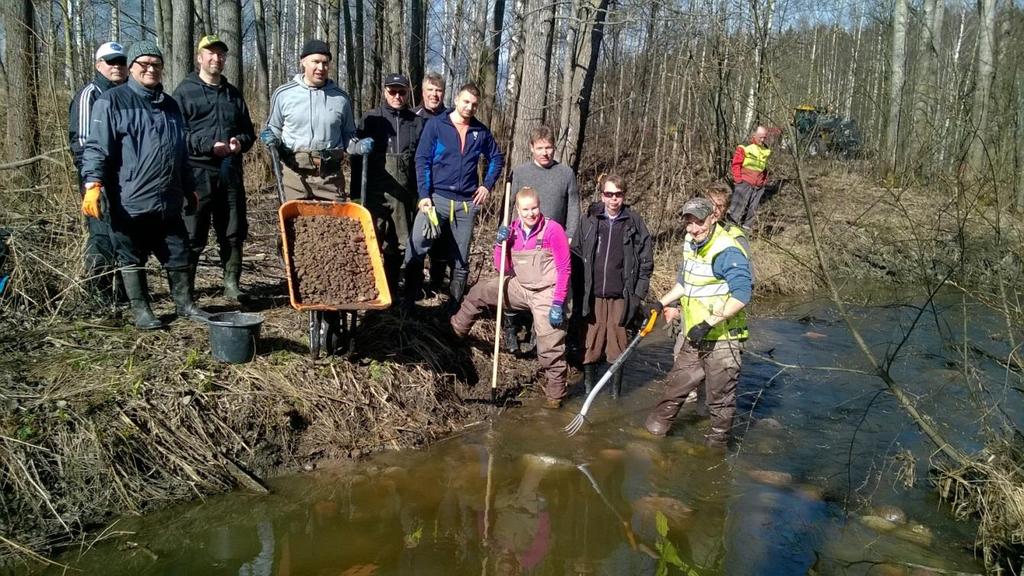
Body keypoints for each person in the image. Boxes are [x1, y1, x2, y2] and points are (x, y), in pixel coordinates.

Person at [80, 40, 207, 330]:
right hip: (130, 200)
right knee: (131, 255)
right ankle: (142, 311)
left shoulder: (170, 105)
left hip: (169, 199)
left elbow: (181, 152)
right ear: (132, 68)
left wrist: (190, 187)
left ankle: (185, 305)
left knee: (178, 253)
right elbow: (96, 147)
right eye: (144, 64)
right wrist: (93, 184)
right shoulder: (112, 101)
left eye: (156, 64)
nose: (151, 69)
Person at [645, 197, 752, 447]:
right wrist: (661, 302)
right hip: (694, 335)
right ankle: (651, 436)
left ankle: (715, 451)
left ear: (713, 218)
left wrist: (710, 323)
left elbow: (742, 294)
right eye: (689, 223)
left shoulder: (727, 249)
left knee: (720, 400)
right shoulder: (690, 243)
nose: (693, 229)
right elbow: (686, 283)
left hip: (723, 338)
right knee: (674, 388)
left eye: (699, 223)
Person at [450, 187, 571, 409]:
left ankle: (556, 394)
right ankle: (455, 331)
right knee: (480, 291)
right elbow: (502, 268)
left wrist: (557, 302)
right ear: (517, 210)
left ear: (539, 206)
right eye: (525, 209)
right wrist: (499, 244)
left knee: (550, 346)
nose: (531, 213)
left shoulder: (553, 230)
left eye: (534, 208)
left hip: (547, 292)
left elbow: (564, 269)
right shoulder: (512, 229)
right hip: (520, 286)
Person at [172, 34, 255, 301]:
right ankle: (186, 293)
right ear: (199, 57)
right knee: (193, 234)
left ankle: (231, 285)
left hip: (230, 172)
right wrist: (208, 145)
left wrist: (239, 143)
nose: (216, 58)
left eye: (220, 54)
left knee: (232, 231)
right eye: (210, 53)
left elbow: (248, 132)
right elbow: (177, 134)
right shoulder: (184, 92)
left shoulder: (233, 94)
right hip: (197, 173)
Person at [409, 83, 504, 309]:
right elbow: (422, 159)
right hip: (436, 200)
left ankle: (452, 308)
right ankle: (409, 301)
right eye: (466, 102)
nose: (469, 107)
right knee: (417, 244)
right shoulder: (436, 125)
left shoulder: (480, 132)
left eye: (474, 104)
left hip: (465, 204)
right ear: (456, 99)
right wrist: (424, 195)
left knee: (461, 257)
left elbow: (496, 158)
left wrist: (487, 185)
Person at [504, 125, 581, 353]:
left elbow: (574, 206)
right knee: (516, 282)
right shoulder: (520, 172)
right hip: (523, 240)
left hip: (553, 241)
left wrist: (569, 235)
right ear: (531, 148)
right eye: (540, 148)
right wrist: (506, 231)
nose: (545, 152)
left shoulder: (566, 173)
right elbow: (510, 206)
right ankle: (511, 329)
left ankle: (542, 334)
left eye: (549, 147)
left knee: (550, 287)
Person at [577, 174, 653, 398]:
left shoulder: (634, 222)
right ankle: (589, 391)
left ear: (624, 196)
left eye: (618, 195)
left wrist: (638, 294)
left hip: (622, 295)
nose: (613, 199)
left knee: (617, 345)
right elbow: (577, 252)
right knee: (591, 344)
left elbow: (646, 261)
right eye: (609, 194)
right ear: (602, 195)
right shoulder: (590, 219)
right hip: (593, 294)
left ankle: (615, 397)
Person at [351, 73, 423, 294]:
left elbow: (422, 162)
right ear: (384, 92)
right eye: (392, 91)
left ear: (408, 93)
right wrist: (355, 194)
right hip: (375, 192)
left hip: (404, 194)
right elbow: (356, 159)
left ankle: (391, 289)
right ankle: (367, 288)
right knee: (370, 240)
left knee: (398, 245)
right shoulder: (371, 119)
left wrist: (421, 194)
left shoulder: (417, 122)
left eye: (402, 92)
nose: (397, 96)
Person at [262, 39, 358, 201]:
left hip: (330, 178)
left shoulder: (341, 98)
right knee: (295, 223)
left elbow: (348, 135)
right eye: (316, 62)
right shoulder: (284, 94)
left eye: (325, 63)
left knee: (335, 224)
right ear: (303, 62)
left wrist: (359, 145)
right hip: (294, 177)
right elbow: (274, 129)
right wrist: (270, 137)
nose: (321, 68)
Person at [68, 41, 127, 302]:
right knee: (101, 233)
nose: (116, 67)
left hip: (127, 179)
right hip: (98, 178)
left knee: (124, 232)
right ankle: (99, 292)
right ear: (98, 65)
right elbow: (82, 142)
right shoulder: (90, 94)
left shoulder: (128, 94)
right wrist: (93, 181)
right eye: (110, 61)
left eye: (121, 61)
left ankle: (124, 290)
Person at [413, 72, 452, 295]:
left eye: (438, 90)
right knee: (418, 236)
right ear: (423, 92)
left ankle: (436, 285)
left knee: (440, 237)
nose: (434, 95)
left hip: (440, 188)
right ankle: (415, 285)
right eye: (430, 90)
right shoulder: (412, 116)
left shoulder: (451, 118)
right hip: (417, 187)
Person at [729, 126, 771, 229]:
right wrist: (738, 179)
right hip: (744, 182)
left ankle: (746, 230)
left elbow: (764, 167)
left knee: (753, 209)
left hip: (759, 185)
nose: (762, 140)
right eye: (760, 137)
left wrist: (764, 181)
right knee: (737, 206)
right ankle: (730, 228)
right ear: (754, 135)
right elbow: (736, 164)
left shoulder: (766, 150)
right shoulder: (744, 147)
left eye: (764, 137)